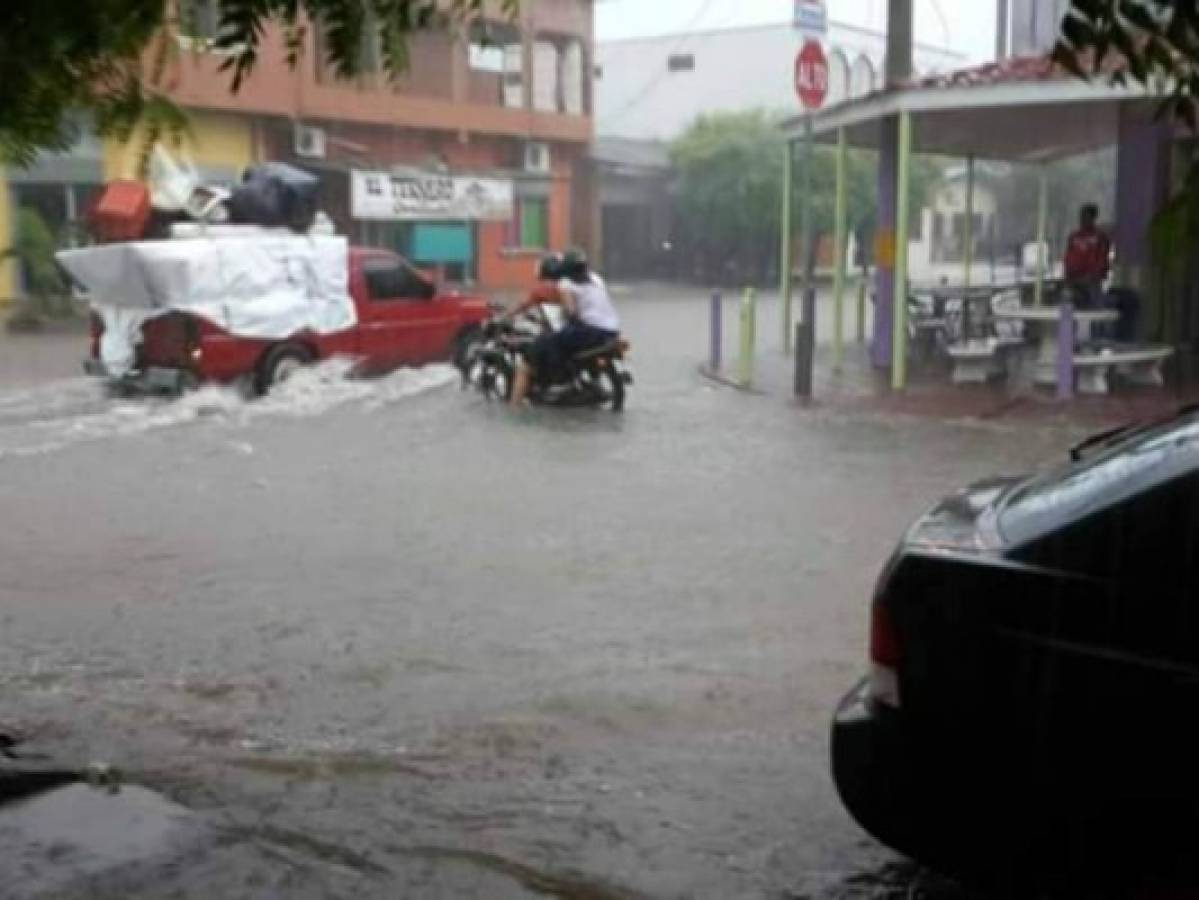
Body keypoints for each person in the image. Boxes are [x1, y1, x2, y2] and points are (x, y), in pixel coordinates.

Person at [504, 248, 621, 408]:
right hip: (612, 330)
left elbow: (570, 312)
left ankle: (522, 402)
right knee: (558, 340)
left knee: (543, 345)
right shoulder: (596, 279)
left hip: (589, 331)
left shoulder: (564, 285)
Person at [1063, 203, 1112, 309]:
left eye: (1086, 216)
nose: (1083, 219)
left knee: (1094, 310)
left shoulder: (1100, 237)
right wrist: (1068, 276)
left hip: (1092, 282)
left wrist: (1094, 275)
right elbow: (1068, 257)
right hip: (1074, 281)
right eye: (1081, 216)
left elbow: (1102, 259)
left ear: (1093, 218)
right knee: (1072, 309)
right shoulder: (1074, 236)